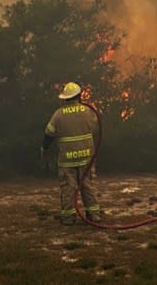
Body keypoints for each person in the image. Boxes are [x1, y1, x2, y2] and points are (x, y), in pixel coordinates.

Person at [41, 81, 102, 225]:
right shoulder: (88, 111)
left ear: (65, 98)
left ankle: (68, 218)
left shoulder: (58, 115)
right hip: (86, 157)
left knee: (68, 188)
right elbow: (96, 127)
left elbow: (48, 135)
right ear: (79, 96)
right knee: (87, 186)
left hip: (67, 160)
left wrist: (44, 149)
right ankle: (94, 215)